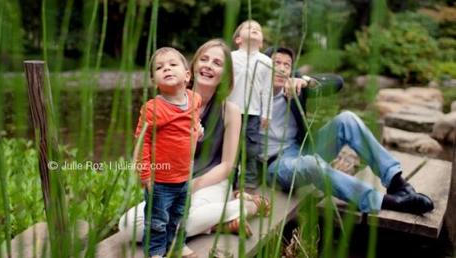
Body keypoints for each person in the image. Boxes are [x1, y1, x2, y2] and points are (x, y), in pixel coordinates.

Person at [120, 39, 270, 258]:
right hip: (170, 182)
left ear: (226, 74)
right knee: (127, 224)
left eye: (217, 63)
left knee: (177, 215)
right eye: (204, 59)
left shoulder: (230, 111)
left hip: (213, 183)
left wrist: (192, 185)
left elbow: (227, 165)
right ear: (192, 68)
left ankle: (244, 208)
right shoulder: (166, 102)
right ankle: (227, 217)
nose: (209, 65)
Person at [262, 46, 434, 214]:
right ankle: (388, 202)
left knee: (347, 119)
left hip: (301, 150)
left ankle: (397, 183)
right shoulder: (253, 93)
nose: (282, 69)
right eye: (276, 63)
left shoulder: (295, 87)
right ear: (263, 64)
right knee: (311, 163)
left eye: (287, 65)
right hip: (278, 165)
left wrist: (306, 81)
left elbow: (337, 82)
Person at [134, 47, 202, 258]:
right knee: (157, 220)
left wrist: (197, 131)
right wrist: (145, 174)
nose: (167, 69)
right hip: (160, 179)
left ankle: (176, 245)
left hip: (185, 174)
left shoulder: (195, 99)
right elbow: (142, 141)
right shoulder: (153, 109)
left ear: (187, 75)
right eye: (160, 67)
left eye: (173, 65)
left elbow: (194, 122)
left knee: (180, 216)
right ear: (155, 80)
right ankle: (155, 252)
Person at [228, 19, 274, 191]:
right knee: (229, 148)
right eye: (249, 27)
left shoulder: (266, 62)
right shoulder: (230, 58)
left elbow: (268, 89)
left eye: (258, 29)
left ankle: (247, 184)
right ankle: (228, 182)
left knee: (250, 149)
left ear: (261, 42)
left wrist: (267, 113)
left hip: (252, 112)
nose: (254, 29)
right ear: (238, 39)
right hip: (230, 111)